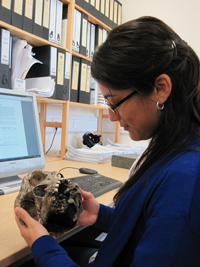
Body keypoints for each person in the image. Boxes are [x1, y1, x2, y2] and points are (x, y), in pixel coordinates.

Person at [15, 16, 200, 266]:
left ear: (161, 88)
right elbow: (152, 227)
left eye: (114, 103)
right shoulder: (173, 148)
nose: (112, 117)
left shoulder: (186, 178)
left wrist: (45, 249)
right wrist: (101, 215)